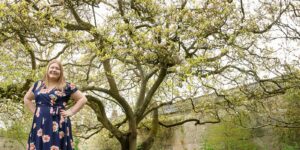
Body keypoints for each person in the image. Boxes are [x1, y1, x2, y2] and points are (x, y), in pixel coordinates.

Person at [24, 59, 87, 150]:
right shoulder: (38, 84)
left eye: (57, 68)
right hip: (39, 123)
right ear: (47, 69)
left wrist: (71, 111)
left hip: (58, 122)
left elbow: (83, 99)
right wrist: (36, 112)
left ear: (61, 72)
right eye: (52, 67)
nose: (54, 70)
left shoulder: (67, 86)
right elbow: (27, 98)